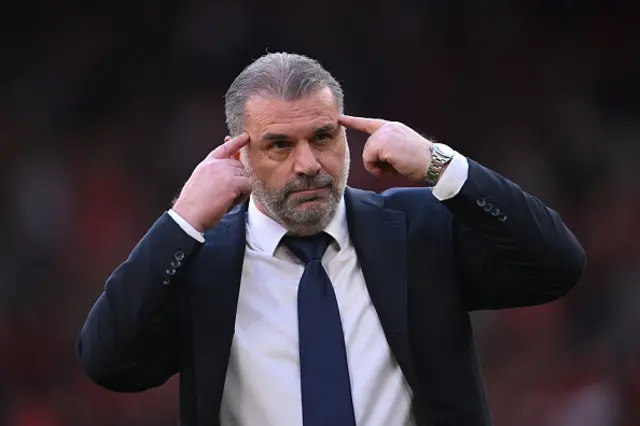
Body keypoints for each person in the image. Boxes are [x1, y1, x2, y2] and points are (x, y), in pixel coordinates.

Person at [77, 52, 586, 426]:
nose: (308, 165)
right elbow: (107, 361)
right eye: (279, 145)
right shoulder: (200, 262)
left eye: (322, 137)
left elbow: (556, 264)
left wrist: (438, 163)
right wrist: (182, 220)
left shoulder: (417, 229)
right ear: (240, 156)